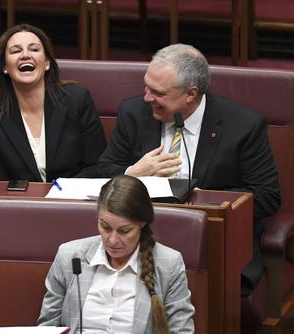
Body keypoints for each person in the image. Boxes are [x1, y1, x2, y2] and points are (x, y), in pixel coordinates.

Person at [94, 43, 280, 294]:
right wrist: (132, 174)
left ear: (190, 94)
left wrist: (201, 200)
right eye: (146, 86)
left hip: (209, 243)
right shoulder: (134, 112)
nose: (147, 97)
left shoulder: (243, 126)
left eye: (158, 92)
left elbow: (267, 196)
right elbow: (100, 172)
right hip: (136, 240)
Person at [38, 175, 195, 333]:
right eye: (105, 227)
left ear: (142, 223)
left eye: (124, 231)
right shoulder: (70, 256)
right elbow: (46, 327)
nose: (112, 240)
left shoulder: (168, 264)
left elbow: (182, 330)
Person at [0, 24, 106, 181]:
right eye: (16, 51)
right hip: (20, 203)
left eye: (34, 49)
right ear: (5, 67)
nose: (25, 55)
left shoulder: (77, 100)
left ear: (47, 62)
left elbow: (98, 166)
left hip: (73, 200)